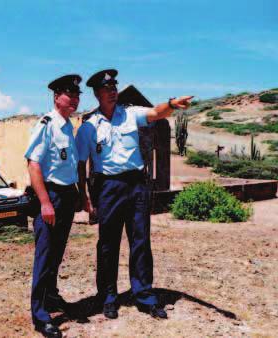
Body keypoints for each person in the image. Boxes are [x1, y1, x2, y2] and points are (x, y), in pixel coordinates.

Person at [76, 69, 192, 320]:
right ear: (97, 94)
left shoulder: (130, 114)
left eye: (114, 87)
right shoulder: (88, 127)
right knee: (108, 244)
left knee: (140, 241)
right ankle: (107, 297)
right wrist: (84, 196)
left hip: (137, 185)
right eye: (107, 89)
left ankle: (145, 296)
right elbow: (81, 164)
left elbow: (155, 113)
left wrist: (172, 104)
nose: (112, 92)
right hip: (108, 188)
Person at [25, 74, 81, 338]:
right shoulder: (46, 124)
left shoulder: (68, 126)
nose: (75, 99)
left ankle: (50, 297)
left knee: (57, 254)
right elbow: (33, 164)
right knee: (45, 255)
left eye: (77, 95)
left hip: (67, 196)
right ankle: (39, 314)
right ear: (57, 97)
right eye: (70, 95)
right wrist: (45, 202)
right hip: (51, 197)